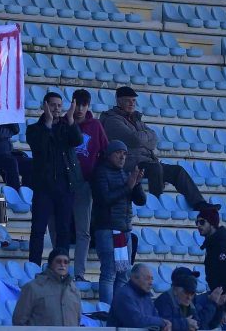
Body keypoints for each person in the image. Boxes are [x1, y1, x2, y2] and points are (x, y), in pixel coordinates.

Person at [101, 86, 209, 210]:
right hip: (129, 163)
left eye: (134, 100)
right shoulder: (112, 120)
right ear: (119, 101)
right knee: (155, 168)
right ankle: (156, 204)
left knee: (177, 171)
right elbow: (134, 139)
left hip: (146, 161)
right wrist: (145, 137)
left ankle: (199, 203)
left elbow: (154, 140)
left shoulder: (136, 119)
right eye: (128, 100)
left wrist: (142, 137)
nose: (132, 103)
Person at [26, 91, 83, 267]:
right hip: (44, 188)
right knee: (38, 229)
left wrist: (71, 119)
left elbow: (78, 140)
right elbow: (40, 147)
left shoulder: (66, 127)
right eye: (52, 105)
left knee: (64, 230)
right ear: (44, 106)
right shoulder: (34, 129)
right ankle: (34, 267)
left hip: (65, 187)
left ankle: (61, 267)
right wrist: (48, 125)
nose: (56, 109)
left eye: (59, 105)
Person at [91, 139, 146, 304]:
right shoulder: (100, 172)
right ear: (109, 155)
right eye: (118, 153)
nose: (122, 157)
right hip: (107, 229)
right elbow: (104, 199)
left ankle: (119, 310)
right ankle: (107, 312)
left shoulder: (126, 174)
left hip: (125, 229)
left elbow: (141, 200)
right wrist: (128, 186)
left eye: (124, 154)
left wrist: (136, 184)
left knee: (123, 274)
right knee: (109, 273)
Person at [69, 88, 108, 283]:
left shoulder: (95, 126)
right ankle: (58, 270)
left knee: (83, 231)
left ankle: (79, 273)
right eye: (77, 105)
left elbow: (106, 151)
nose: (80, 109)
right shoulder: (65, 124)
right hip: (63, 184)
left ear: (88, 106)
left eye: (83, 105)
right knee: (60, 229)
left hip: (85, 183)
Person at [196, 205, 226, 330]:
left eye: (202, 222)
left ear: (212, 223)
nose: (198, 225)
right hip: (220, 295)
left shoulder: (222, 246)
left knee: (193, 305)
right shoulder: (213, 244)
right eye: (197, 222)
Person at [12, 248, 81, 326]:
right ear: (50, 264)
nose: (62, 265)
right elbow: (19, 321)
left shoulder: (74, 291)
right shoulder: (32, 288)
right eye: (58, 261)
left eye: (66, 262)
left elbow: (77, 321)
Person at [155, 267, 225, 331]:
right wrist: (212, 303)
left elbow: (201, 324)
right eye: (190, 278)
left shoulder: (190, 301)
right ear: (176, 288)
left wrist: (218, 306)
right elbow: (162, 325)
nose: (193, 281)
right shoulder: (164, 301)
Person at [108, 264, 172, 330]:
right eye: (147, 279)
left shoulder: (146, 295)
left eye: (152, 279)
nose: (151, 283)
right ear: (134, 278)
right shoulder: (124, 295)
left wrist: (165, 324)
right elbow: (136, 322)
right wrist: (162, 322)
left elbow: (156, 317)